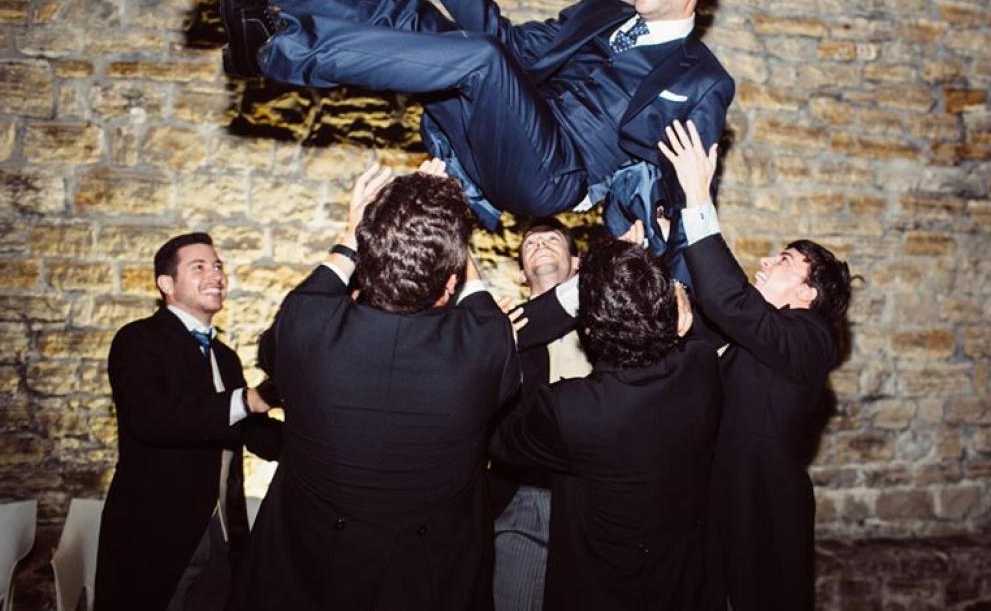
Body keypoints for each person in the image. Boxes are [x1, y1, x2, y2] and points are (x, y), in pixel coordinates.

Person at [179, 0, 734, 276]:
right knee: (409, 13)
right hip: (502, 127)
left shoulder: (703, 80)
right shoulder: (603, 11)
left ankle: (277, 47)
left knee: (481, 61)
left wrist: (680, 287)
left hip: (555, 175)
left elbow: (692, 191)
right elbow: (516, 51)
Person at [229, 162, 519, 611]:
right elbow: (475, 294)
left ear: (366, 256)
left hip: (310, 578)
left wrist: (353, 231)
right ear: (447, 285)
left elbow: (316, 292)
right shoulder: (486, 343)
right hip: (428, 585)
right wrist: (445, 228)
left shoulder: (306, 326)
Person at [659, 120, 855, 611]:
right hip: (716, 514)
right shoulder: (758, 337)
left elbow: (729, 300)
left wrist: (699, 197)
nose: (766, 260)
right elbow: (704, 319)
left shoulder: (811, 340)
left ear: (807, 293)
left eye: (785, 260)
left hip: (761, 516)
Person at [490, 237, 721, 610]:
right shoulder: (701, 366)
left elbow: (500, 439)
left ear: (591, 330)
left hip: (599, 590)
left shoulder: (569, 408)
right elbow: (691, 339)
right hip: (677, 583)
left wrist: (494, 348)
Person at [94, 232, 282, 611]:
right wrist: (250, 398)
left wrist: (327, 439)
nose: (216, 275)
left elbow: (251, 432)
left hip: (222, 538)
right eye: (199, 267)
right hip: (157, 536)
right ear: (166, 284)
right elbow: (151, 419)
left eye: (218, 266)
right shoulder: (138, 340)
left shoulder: (225, 357)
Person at [489, 218, 586, 611]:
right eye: (531, 244)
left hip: (591, 499)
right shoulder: (500, 330)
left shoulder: (609, 324)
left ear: (577, 263)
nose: (541, 245)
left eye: (553, 240)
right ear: (519, 271)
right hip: (524, 497)